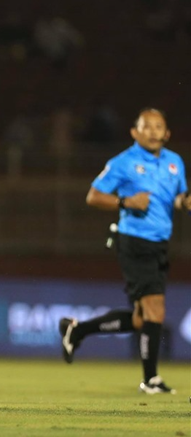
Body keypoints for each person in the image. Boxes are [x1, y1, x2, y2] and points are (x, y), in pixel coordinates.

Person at [60, 108, 189, 394]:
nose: (153, 131)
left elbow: (177, 198)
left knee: (142, 318)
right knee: (155, 308)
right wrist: (125, 202)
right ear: (134, 132)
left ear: (167, 133)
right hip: (134, 241)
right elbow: (93, 196)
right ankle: (151, 380)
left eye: (159, 127)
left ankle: (78, 330)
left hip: (160, 243)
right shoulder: (123, 162)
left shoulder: (175, 162)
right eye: (147, 126)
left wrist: (186, 202)